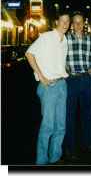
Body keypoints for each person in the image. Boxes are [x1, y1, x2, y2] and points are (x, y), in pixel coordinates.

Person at [25, 10, 71, 165]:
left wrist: (63, 67)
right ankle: (41, 161)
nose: (65, 24)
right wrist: (42, 76)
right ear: (56, 22)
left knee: (61, 126)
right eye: (62, 20)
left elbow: (58, 59)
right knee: (48, 127)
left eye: (67, 21)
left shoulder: (64, 40)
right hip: (49, 86)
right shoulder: (47, 37)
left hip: (62, 85)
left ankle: (55, 156)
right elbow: (29, 54)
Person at [65, 11, 91, 160]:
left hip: (86, 80)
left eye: (81, 22)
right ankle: (69, 145)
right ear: (72, 24)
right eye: (76, 22)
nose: (78, 25)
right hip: (71, 79)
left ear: (84, 24)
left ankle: (89, 142)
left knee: (87, 113)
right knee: (70, 114)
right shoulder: (65, 39)